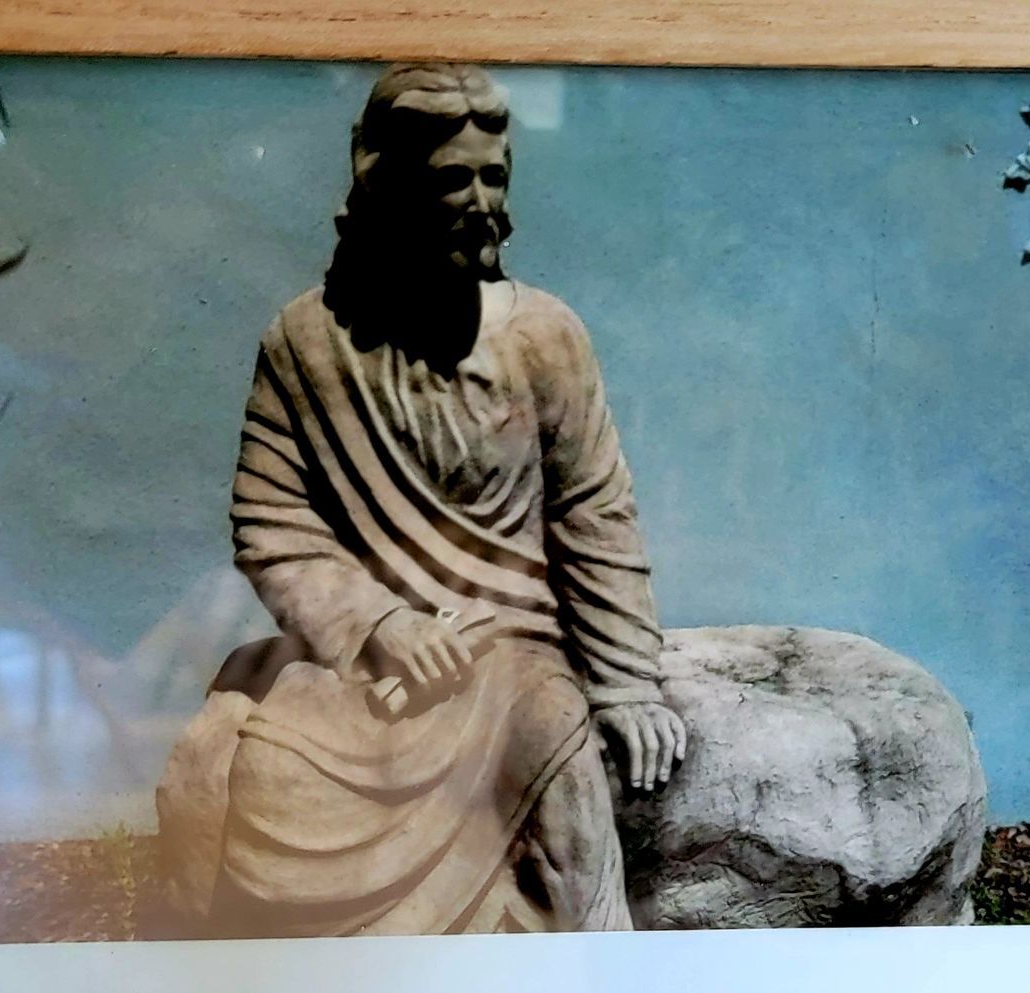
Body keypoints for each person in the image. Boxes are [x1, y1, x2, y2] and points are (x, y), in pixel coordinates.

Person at [208, 61, 683, 936]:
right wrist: (381, 624)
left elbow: (595, 515)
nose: (480, 201)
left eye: (493, 175)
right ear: (386, 185)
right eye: (450, 178)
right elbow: (274, 523)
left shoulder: (545, 336)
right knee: (267, 779)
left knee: (560, 766)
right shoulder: (307, 343)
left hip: (514, 649)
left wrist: (624, 684)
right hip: (373, 667)